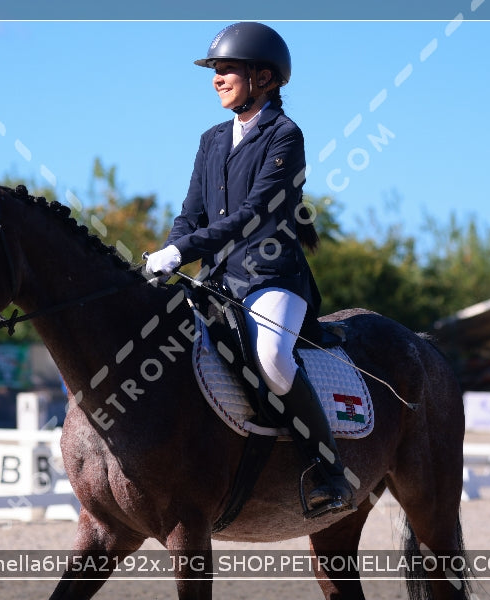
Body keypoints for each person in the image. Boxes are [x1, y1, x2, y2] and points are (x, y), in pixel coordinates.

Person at [144, 22, 353, 516]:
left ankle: (328, 470)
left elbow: (255, 214)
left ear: (264, 78)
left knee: (274, 357)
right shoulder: (212, 139)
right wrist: (173, 249)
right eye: (214, 71)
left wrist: (183, 250)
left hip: (272, 277)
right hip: (216, 279)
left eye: (227, 69)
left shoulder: (286, 134)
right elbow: (190, 213)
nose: (216, 79)